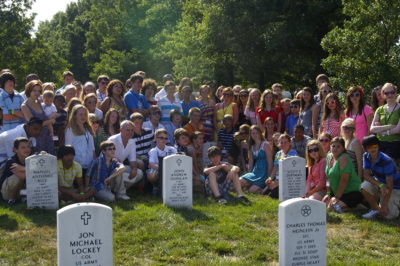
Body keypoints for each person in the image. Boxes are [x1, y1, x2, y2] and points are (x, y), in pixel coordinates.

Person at [360, 135, 400, 219]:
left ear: (378, 146)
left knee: (388, 216)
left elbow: (390, 185)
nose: (373, 148)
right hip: (382, 184)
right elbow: (366, 176)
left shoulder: (387, 160)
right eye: (369, 147)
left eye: (375, 146)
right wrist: (380, 185)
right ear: (365, 149)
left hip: (395, 187)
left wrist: (385, 204)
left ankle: (391, 206)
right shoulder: (365, 156)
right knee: (364, 186)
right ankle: (376, 210)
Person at [323, 137, 363, 213]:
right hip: (337, 192)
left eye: (338, 146)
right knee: (323, 203)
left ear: (343, 149)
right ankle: (349, 205)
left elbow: (344, 180)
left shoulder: (343, 158)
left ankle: (357, 207)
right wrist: (328, 193)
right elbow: (328, 177)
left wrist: (336, 197)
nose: (335, 148)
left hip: (352, 192)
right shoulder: (329, 156)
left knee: (333, 207)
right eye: (333, 146)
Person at [108, 120, 144, 198]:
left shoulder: (132, 142)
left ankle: (117, 190)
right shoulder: (112, 140)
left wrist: (134, 168)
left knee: (139, 173)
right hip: (108, 168)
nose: (130, 132)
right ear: (120, 130)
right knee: (120, 169)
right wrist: (115, 160)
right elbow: (106, 158)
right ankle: (121, 193)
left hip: (120, 166)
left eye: (132, 130)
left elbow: (133, 159)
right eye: (127, 130)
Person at [21, 80, 55, 155]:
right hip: (36, 138)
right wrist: (50, 121)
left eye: (39, 91)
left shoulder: (40, 101)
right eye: (34, 90)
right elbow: (34, 126)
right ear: (29, 90)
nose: (37, 93)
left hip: (47, 135)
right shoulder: (24, 106)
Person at [65, 104, 95, 185]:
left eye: (85, 114)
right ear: (74, 115)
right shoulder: (70, 129)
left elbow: (92, 147)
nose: (83, 116)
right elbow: (68, 148)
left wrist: (93, 161)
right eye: (80, 114)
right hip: (77, 163)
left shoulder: (88, 128)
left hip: (88, 162)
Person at [370, 83, 400, 160]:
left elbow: (398, 129)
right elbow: (372, 129)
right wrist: (390, 126)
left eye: (392, 92)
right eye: (387, 93)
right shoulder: (379, 109)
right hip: (380, 144)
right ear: (383, 94)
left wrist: (381, 130)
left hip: (395, 144)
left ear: (396, 92)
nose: (390, 95)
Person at [240, 125, 272, 193]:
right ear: (250, 134)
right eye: (253, 133)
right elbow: (251, 162)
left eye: (256, 133)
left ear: (260, 133)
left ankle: (264, 190)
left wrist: (269, 177)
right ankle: (250, 185)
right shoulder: (251, 146)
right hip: (255, 172)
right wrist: (249, 174)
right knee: (240, 181)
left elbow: (270, 162)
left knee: (252, 190)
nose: (255, 135)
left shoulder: (265, 144)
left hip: (264, 173)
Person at [263, 134, 298, 198]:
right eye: (281, 142)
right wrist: (270, 178)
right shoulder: (278, 153)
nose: (283, 144)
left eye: (285, 142)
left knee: (271, 195)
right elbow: (275, 168)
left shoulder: (293, 153)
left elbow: (291, 172)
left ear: (290, 143)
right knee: (263, 193)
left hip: (288, 182)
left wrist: (278, 183)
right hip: (277, 179)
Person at [0, 138, 31, 204]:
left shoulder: (30, 160)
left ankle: (24, 197)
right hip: (7, 191)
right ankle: (12, 199)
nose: (26, 149)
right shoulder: (11, 161)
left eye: (28, 147)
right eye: (23, 147)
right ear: (15, 149)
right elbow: (22, 176)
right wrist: (31, 171)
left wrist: (23, 168)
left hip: (20, 189)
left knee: (34, 175)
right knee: (19, 177)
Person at [147, 128, 177, 195]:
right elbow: (151, 164)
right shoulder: (153, 151)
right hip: (159, 170)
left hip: (172, 170)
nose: (164, 140)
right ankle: (156, 186)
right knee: (151, 174)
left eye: (166, 138)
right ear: (155, 138)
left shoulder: (172, 149)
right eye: (161, 138)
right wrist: (163, 169)